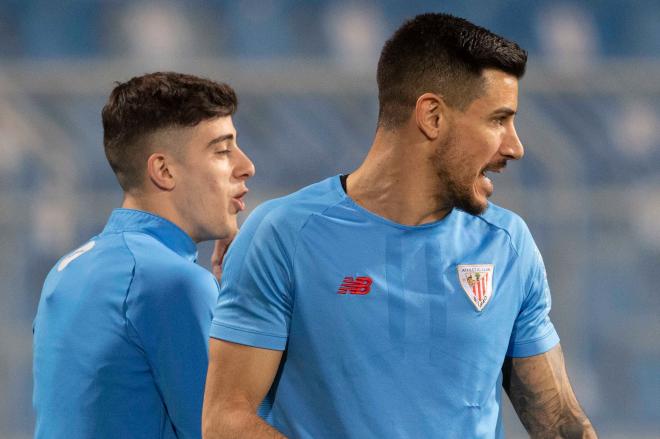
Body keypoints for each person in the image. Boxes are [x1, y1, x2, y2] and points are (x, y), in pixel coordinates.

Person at [202, 13, 598, 439]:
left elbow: (559, 422)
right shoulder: (281, 236)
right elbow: (227, 421)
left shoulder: (509, 244)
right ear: (432, 116)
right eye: (498, 120)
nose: (515, 147)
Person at [32, 72, 255, 438]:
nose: (246, 166)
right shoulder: (172, 283)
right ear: (164, 171)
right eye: (222, 150)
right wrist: (249, 305)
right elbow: (228, 431)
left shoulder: (65, 270)